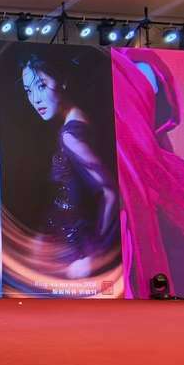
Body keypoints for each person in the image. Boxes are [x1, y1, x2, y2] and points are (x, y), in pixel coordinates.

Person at [20, 53, 119, 284]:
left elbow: (110, 192)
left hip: (74, 248)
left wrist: (95, 255)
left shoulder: (70, 135)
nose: (35, 99)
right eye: (28, 91)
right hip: (61, 240)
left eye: (41, 86)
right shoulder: (77, 119)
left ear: (62, 81)